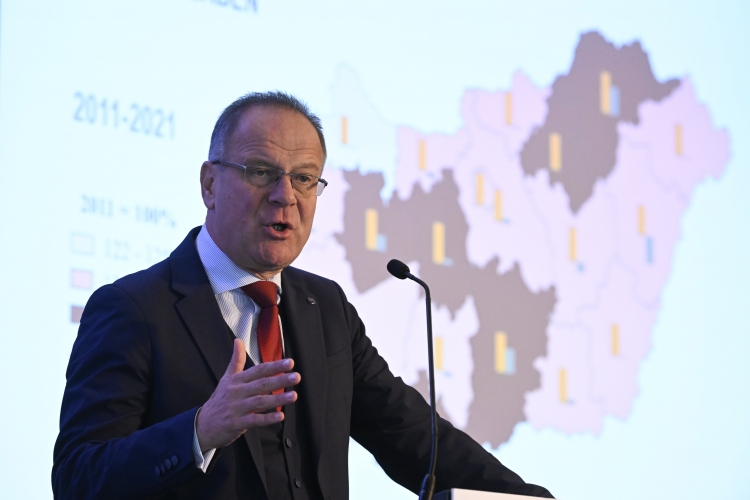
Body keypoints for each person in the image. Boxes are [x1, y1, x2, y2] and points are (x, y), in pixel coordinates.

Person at [52, 92, 553, 500]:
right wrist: (200, 430)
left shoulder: (326, 308)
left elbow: (413, 438)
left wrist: (531, 499)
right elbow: (77, 478)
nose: (285, 196)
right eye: (261, 172)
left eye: (305, 179)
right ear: (209, 184)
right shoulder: (136, 309)